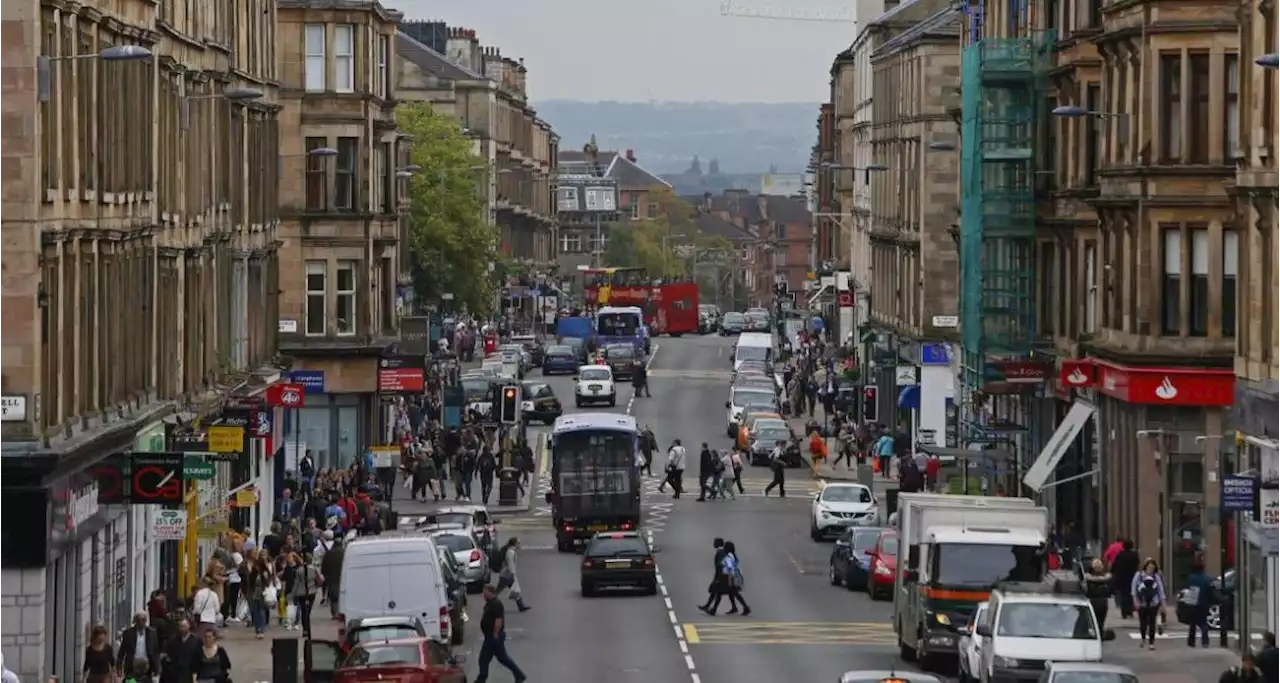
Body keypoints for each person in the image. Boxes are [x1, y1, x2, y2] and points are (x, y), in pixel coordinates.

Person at [475, 584, 527, 683]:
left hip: (493, 636)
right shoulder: (490, 603)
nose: (483, 595)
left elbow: (498, 620)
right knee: (492, 659)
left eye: (485, 592)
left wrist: (495, 634)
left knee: (487, 659)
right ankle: (519, 675)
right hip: (490, 636)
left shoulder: (496, 604)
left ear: (490, 592)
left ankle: (481, 679)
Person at [705, 541, 750, 616]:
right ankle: (744, 608)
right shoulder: (732, 555)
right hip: (731, 577)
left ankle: (714, 610)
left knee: (720, 593)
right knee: (733, 594)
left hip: (729, 578)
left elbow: (729, 568)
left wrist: (729, 580)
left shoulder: (729, 556)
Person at [1131, 557, 1166, 650]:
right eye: (1149, 566)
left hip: (1153, 603)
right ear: (1145, 567)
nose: (1150, 568)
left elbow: (1160, 590)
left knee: (1152, 623)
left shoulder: (1156, 577)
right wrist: (1135, 601)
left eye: (1152, 567)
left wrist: (1163, 603)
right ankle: (1143, 639)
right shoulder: (1138, 576)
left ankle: (1151, 643)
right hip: (1142, 602)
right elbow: (1134, 589)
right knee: (1143, 623)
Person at [117, 612, 159, 677]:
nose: (141, 622)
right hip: (132, 666)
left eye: (143, 620)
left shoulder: (152, 633)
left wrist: (157, 667)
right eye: (139, 620)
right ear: (135, 621)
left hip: (147, 666)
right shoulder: (128, 633)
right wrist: (119, 667)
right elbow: (122, 652)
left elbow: (156, 651)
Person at [1185, 559, 1215, 648]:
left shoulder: (1191, 578)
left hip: (1193, 603)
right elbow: (1210, 591)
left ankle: (1191, 641)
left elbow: (1189, 589)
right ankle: (1205, 642)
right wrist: (1211, 601)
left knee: (1192, 624)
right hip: (1204, 603)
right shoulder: (1206, 578)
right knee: (1203, 623)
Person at [496, 538, 531, 612]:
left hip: (507, 574)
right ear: (514, 544)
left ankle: (521, 606)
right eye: (518, 543)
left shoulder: (511, 551)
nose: (519, 545)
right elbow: (510, 564)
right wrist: (512, 574)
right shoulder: (510, 552)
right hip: (507, 575)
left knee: (515, 590)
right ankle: (490, 604)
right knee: (498, 591)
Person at [1082, 559, 1113, 630]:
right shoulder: (1106, 578)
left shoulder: (1088, 578)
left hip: (1092, 601)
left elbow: (1085, 589)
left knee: (1091, 621)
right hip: (1103, 602)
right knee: (1100, 622)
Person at [698, 538, 728, 612]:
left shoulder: (720, 552)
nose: (713, 544)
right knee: (715, 592)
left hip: (721, 576)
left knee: (718, 593)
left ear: (717, 544)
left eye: (714, 543)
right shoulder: (721, 552)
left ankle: (713, 609)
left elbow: (720, 566)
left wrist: (718, 578)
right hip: (722, 575)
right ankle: (708, 606)